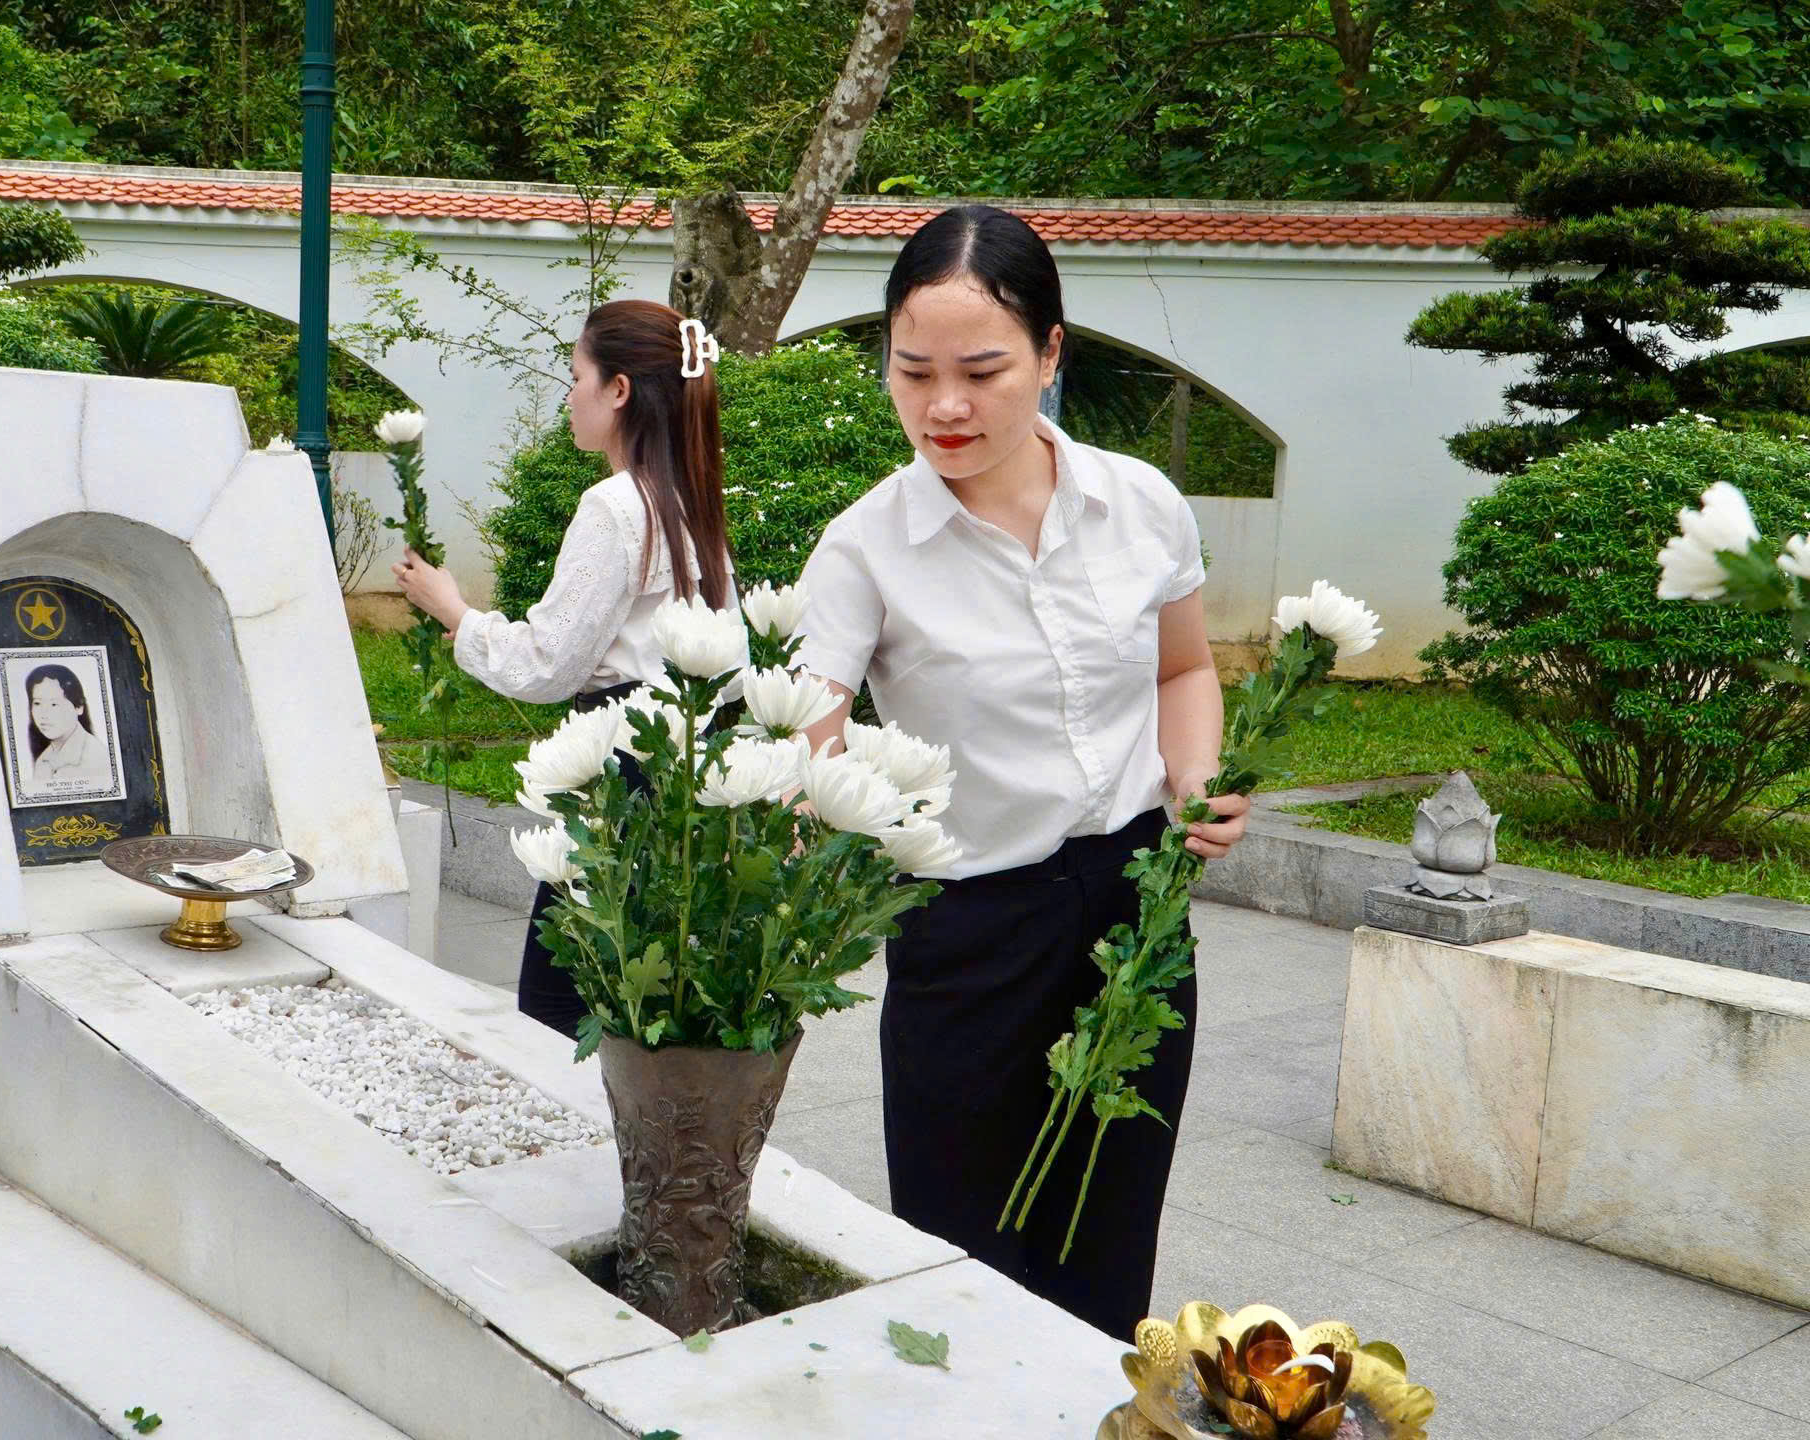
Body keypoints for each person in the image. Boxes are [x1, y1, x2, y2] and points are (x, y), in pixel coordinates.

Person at [792, 205, 1248, 1339]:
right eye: (914, 372)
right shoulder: (864, 546)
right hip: (967, 932)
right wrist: (817, 811)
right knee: (960, 1252)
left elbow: (1183, 669)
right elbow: (811, 730)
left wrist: (1193, 779)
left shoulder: (1137, 502)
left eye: (983, 370)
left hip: (1134, 912)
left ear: (1050, 356)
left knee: (1108, 1230)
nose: (944, 406)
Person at [393, 298, 735, 1038]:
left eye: (575, 376)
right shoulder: (689, 499)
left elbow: (548, 662)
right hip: (683, 767)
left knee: (559, 1008)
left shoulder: (617, 504)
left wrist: (453, 608)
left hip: (622, 773)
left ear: (618, 390)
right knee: (643, 1002)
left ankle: (587, 1152)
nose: (567, 395)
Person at [24, 663, 110, 791]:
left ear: (79, 706)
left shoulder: (96, 758)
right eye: (37, 703)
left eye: (54, 704)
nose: (43, 714)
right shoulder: (42, 762)